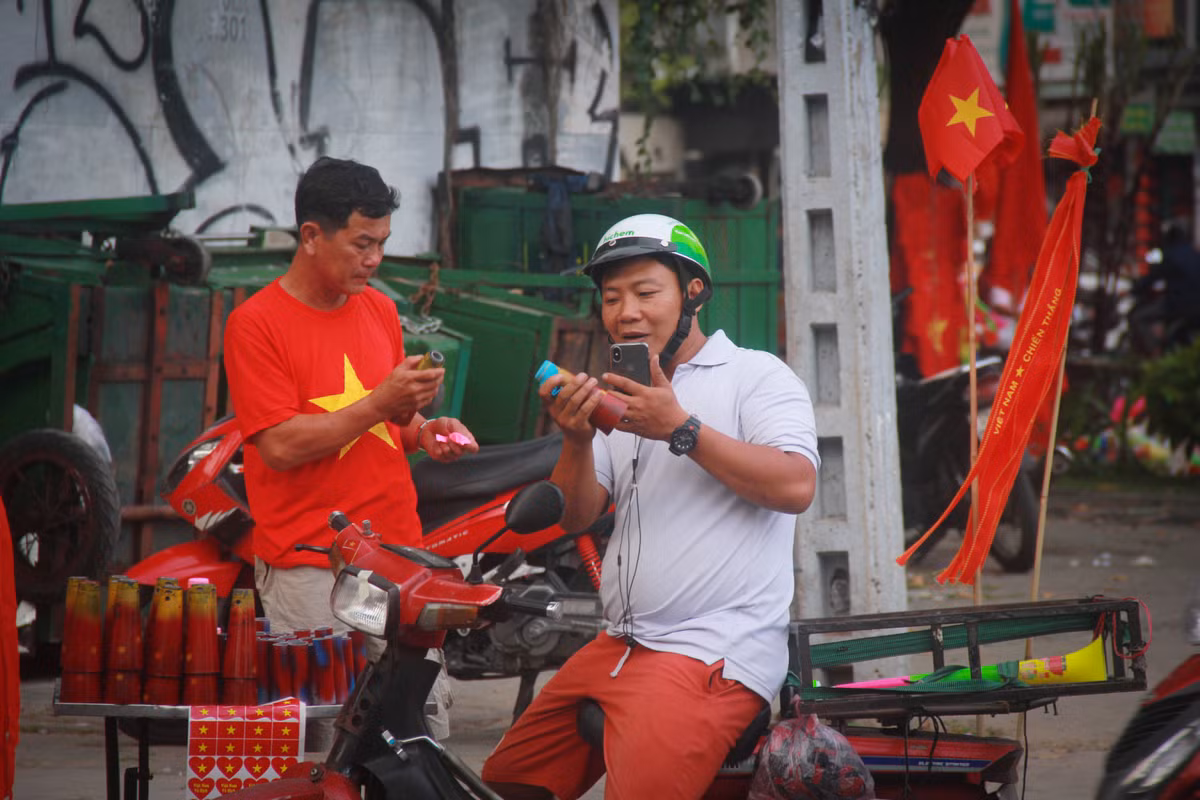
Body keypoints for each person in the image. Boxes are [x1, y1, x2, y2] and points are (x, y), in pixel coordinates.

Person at [482, 213, 820, 799]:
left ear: (693, 292)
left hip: (712, 653)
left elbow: (796, 486)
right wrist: (578, 438)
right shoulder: (623, 393)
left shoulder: (757, 377)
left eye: (645, 292)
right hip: (618, 646)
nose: (626, 312)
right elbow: (579, 516)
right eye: (611, 298)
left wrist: (681, 429)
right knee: (508, 783)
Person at [223, 157, 478, 736]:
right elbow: (281, 445)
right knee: (325, 744)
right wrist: (380, 406)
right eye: (362, 244)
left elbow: (384, 427)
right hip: (314, 566)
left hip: (399, 557)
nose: (375, 260)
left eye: (382, 243)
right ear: (311, 236)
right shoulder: (255, 323)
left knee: (420, 737)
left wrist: (422, 432)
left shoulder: (380, 308)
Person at [1130, 219, 1200, 355]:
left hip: (1179, 305)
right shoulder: (1194, 254)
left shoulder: (1171, 256)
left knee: (1138, 318)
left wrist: (1137, 288)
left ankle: (1155, 354)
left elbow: (1153, 278)